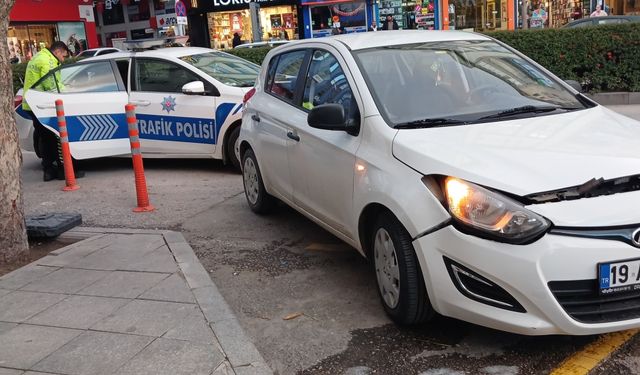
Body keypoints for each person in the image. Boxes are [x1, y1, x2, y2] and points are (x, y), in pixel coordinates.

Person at [23, 41, 81, 182]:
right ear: (58, 52)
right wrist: (67, 93)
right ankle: (59, 171)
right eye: (63, 56)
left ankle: (49, 170)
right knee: (54, 137)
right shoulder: (48, 60)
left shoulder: (39, 56)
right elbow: (50, 83)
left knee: (46, 137)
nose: (63, 59)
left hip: (32, 104)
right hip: (41, 104)